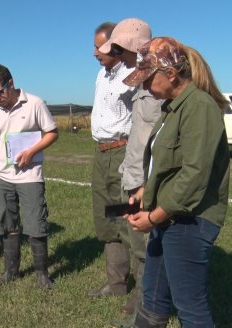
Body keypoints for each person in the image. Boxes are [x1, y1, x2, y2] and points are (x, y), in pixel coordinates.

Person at [124, 37, 229, 327]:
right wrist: (147, 193)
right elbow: (170, 165)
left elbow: (195, 174)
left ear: (170, 74)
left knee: (190, 307)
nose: (143, 86)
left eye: (147, 79)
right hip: (170, 217)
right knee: (154, 298)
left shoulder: (199, 107)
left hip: (189, 222)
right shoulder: (172, 109)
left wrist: (155, 216)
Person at [98, 18, 163, 317]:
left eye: (121, 50)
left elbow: (155, 137)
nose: (118, 57)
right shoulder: (136, 80)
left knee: (142, 239)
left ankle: (145, 301)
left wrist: (145, 179)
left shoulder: (159, 83)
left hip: (144, 177)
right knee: (121, 225)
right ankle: (128, 289)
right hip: (130, 171)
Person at [0, 64, 58, 289]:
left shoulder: (34, 103)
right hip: (1, 177)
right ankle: (10, 272)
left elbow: (52, 132)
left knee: (36, 224)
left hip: (30, 176)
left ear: (10, 84)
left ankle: (42, 274)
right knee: (7, 224)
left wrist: (32, 151)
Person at [88, 22, 136, 299]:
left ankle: (141, 289)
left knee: (126, 217)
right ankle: (116, 284)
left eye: (99, 47)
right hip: (101, 152)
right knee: (106, 218)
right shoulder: (101, 76)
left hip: (123, 151)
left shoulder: (132, 73)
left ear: (116, 46)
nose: (95, 53)